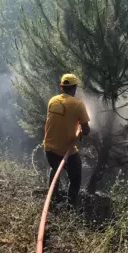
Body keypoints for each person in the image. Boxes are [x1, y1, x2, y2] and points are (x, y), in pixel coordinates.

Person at [43, 73, 91, 206]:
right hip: (66, 150)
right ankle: (70, 205)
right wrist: (81, 129)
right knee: (75, 177)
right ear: (75, 87)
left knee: (55, 167)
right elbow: (86, 131)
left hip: (48, 149)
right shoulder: (78, 104)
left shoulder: (52, 100)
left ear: (61, 87)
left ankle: (53, 197)